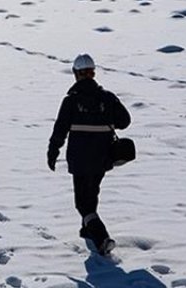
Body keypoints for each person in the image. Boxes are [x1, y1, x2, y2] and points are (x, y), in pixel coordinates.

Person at [47, 53, 131, 256]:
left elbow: (60, 129)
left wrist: (53, 151)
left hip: (79, 158)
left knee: (82, 202)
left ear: (76, 74)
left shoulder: (71, 100)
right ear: (93, 73)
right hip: (103, 158)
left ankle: (102, 238)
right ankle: (87, 229)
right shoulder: (107, 97)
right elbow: (125, 121)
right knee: (91, 194)